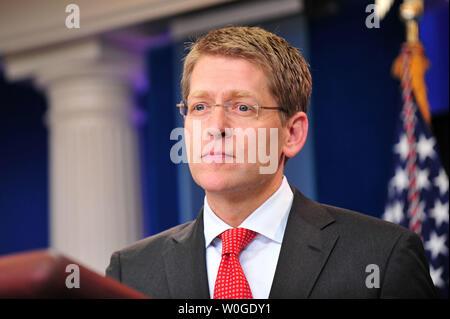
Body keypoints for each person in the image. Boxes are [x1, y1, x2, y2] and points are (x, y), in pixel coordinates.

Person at [106, 26, 437, 298]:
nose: (215, 128)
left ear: (292, 133)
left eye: (242, 107)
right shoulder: (131, 271)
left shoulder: (382, 256)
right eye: (200, 107)